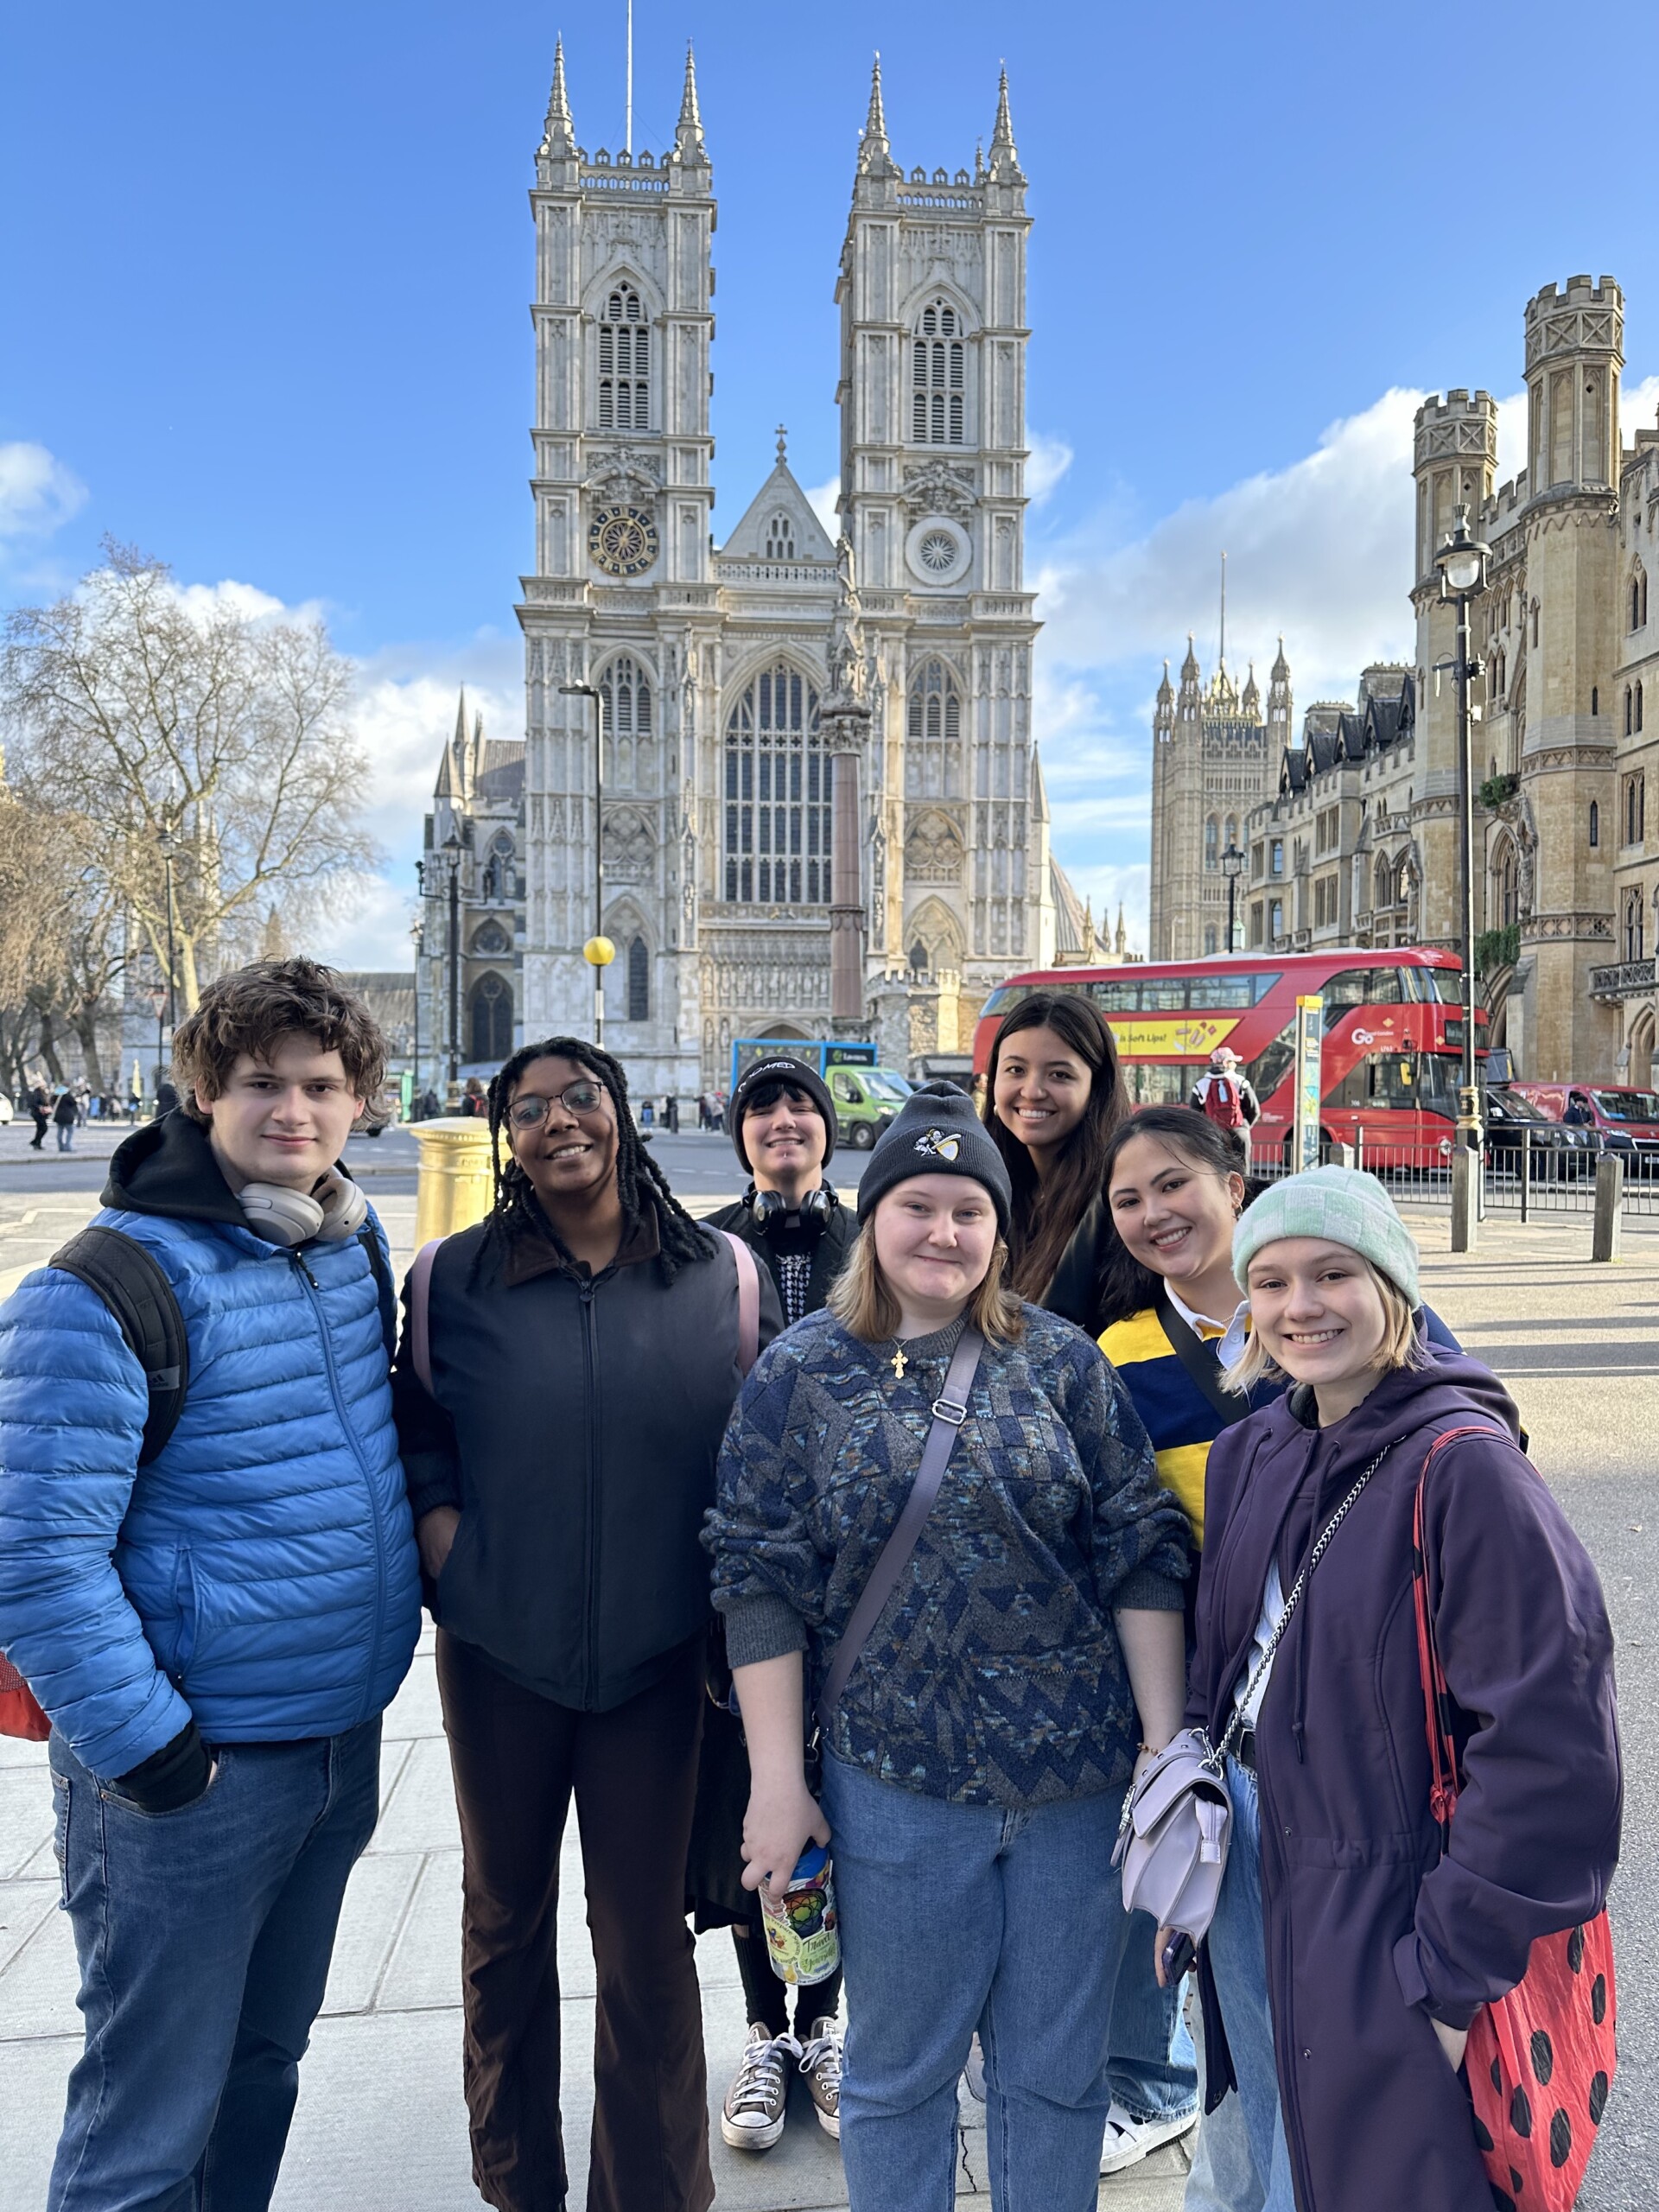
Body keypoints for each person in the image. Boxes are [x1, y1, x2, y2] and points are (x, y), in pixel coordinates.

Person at [706, 1084, 1191, 2212]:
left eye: (970, 1210)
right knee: (898, 2075)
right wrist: (778, 1783)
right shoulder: (801, 1375)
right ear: (873, 1219)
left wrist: (1164, 1755)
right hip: (898, 1789)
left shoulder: (1065, 1365)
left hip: (1077, 1791)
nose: (945, 1232)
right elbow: (757, 1579)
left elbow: (1142, 1550)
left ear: (1000, 1231)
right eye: (917, 1205)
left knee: (1055, 2078)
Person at [0, 958, 421, 2211]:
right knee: (147, 2116)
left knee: (260, 2069)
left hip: (334, 1746)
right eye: (259, 1085)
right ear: (201, 1092)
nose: (293, 1111)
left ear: (359, 1102)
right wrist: (156, 1755)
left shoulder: (343, 1245)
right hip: (194, 1779)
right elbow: (32, 1558)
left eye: (320, 1085)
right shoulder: (99, 1285)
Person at [1168, 1166, 1620, 2212]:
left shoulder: (1466, 1469)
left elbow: (1554, 1753)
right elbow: (1222, 1660)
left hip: (1388, 1906)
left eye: (1333, 1273)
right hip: (1246, 1871)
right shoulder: (1254, 1447)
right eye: (1271, 1282)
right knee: (1259, 2148)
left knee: (1370, 2177)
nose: (1300, 1306)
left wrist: (1452, 1977)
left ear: (1393, 1288)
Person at [393, 1035, 781, 2212]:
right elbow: (417, 1433)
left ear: (621, 1111)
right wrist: (450, 1555)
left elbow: (753, 1454)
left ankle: (653, 2194)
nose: (559, 1122)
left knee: (644, 1942)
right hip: (502, 1654)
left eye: (581, 1098)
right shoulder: (451, 1277)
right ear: (504, 1136)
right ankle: (519, 2184)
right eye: (528, 1110)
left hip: (658, 1664)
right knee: (503, 1925)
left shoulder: (722, 1271)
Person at [1096, 1113, 1462, 2210]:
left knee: (1342, 2071)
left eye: (1177, 1185)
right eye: (1129, 1200)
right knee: (1250, 2041)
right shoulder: (1164, 1379)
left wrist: (1462, 1971)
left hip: (1366, 1750)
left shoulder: (1428, 1413)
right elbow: (1149, 1556)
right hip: (1245, 1733)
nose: (1301, 1308)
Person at [696, 1056, 859, 2150]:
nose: (783, 1121)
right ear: (740, 1133)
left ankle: (830, 2023)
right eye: (763, 1107)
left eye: (800, 1105)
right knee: (753, 1793)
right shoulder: (699, 1248)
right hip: (743, 1560)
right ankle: (764, 2026)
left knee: (843, 1797)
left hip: (858, 1566)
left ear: (828, 1130)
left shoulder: (878, 1237)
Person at [982, 991, 1128, 1337]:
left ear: (1096, 1087)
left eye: (1059, 1075)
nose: (1032, 1091)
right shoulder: (985, 1187)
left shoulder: (1121, 1196)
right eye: (1016, 1070)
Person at [1188, 1049, 1259, 1166]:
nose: (1235, 1065)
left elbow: (1194, 1114)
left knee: (1218, 1172)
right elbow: (1254, 1110)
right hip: (1239, 1132)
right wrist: (1244, 1127)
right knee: (1242, 1173)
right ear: (1226, 1063)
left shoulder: (1201, 1085)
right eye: (1233, 1061)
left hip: (1214, 1134)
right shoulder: (1240, 1082)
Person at [53, 1084, 78, 1152]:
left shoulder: (55, 1096)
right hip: (67, 1116)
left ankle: (61, 1147)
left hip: (58, 1116)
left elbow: (51, 1103)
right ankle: (68, 1146)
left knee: (60, 1132)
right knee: (70, 1132)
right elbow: (74, 1103)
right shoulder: (68, 1096)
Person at [29, 1077, 50, 1149]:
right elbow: (34, 1103)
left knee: (40, 1128)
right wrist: (40, 1107)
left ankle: (37, 1143)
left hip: (42, 1113)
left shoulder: (42, 1093)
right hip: (38, 1113)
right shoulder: (36, 1093)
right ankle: (36, 1141)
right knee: (44, 1128)